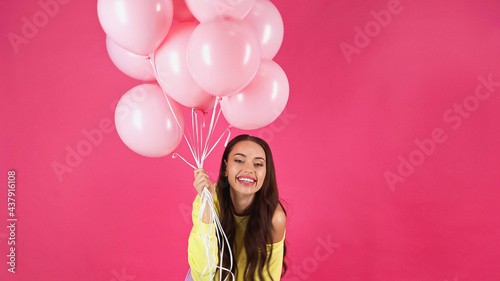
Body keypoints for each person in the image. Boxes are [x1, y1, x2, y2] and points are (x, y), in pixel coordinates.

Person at [187, 134, 288, 281]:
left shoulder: (274, 217)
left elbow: (268, 277)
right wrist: (207, 206)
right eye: (239, 161)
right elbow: (202, 273)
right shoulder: (207, 199)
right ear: (226, 167)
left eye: (258, 164)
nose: (248, 169)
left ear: (266, 172)